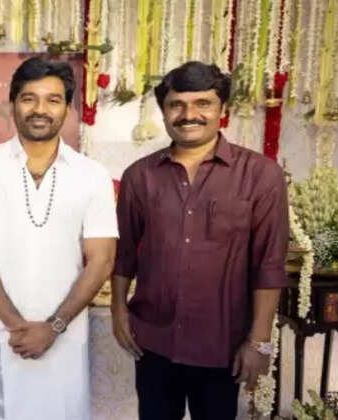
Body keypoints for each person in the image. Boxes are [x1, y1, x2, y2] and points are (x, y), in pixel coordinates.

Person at [111, 61, 289, 420]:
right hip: (154, 342)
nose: (189, 115)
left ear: (222, 109)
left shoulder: (260, 175)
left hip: (223, 345)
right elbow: (124, 253)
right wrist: (118, 311)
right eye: (176, 105)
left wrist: (259, 341)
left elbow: (269, 264)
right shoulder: (140, 176)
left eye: (202, 103)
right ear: (164, 111)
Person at [0, 57, 119, 420]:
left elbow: (102, 259)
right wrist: (17, 325)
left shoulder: (91, 175)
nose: (40, 109)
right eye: (29, 98)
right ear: (12, 104)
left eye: (53, 100)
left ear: (68, 109)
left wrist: (53, 327)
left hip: (65, 336)